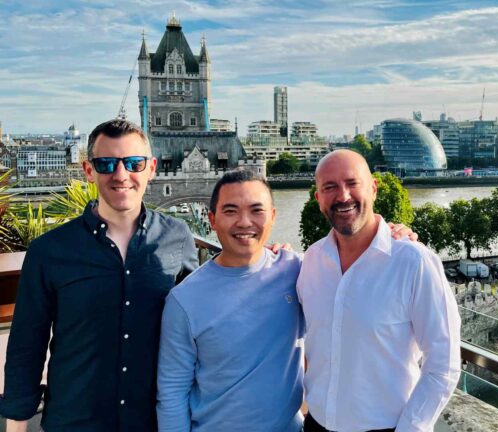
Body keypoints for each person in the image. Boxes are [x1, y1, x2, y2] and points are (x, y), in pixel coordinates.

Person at [0, 119, 199, 432]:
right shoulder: (49, 251)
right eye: (106, 163)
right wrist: (16, 426)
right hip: (75, 420)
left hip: (152, 421)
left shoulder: (179, 237)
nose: (121, 175)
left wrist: (261, 258)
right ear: (89, 171)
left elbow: (202, 320)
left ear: (151, 168)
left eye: (134, 163)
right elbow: (27, 345)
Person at [297, 150, 461, 432]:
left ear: (373, 188)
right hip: (316, 424)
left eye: (352, 183)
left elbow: (444, 363)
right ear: (319, 198)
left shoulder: (414, 262)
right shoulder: (309, 261)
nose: (343, 195)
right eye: (330, 187)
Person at [156, 170, 304, 432]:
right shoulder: (184, 300)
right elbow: (172, 391)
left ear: (273, 216)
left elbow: (351, 271)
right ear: (211, 219)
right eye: (231, 211)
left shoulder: (298, 271)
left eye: (256, 210)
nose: (244, 222)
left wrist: (394, 235)